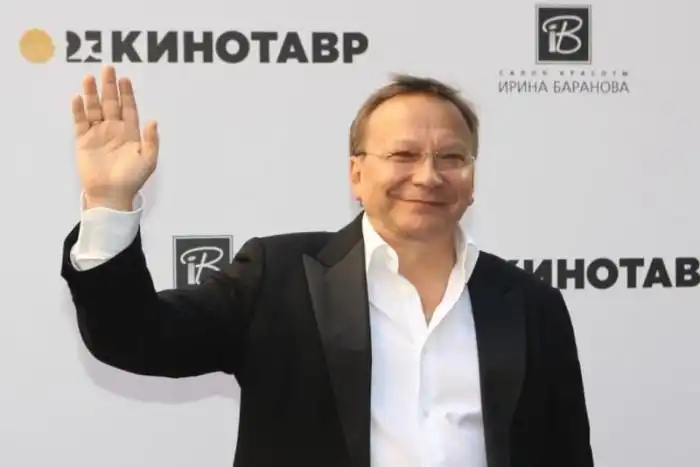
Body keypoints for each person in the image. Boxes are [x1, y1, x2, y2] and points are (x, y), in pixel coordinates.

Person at [60, 65, 594, 467]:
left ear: (472, 179)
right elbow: (135, 338)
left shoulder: (531, 303)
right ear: (356, 174)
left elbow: (566, 452)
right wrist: (108, 201)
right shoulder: (278, 275)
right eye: (403, 155)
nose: (428, 176)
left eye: (451, 158)